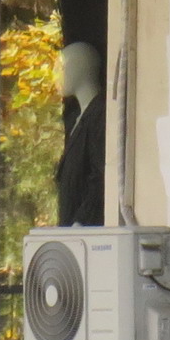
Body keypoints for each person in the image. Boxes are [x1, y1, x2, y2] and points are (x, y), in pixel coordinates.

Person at [56, 41, 105, 227]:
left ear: (79, 68)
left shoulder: (99, 115)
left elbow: (100, 176)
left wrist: (82, 220)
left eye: (62, 67)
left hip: (85, 234)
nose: (58, 75)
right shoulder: (76, 118)